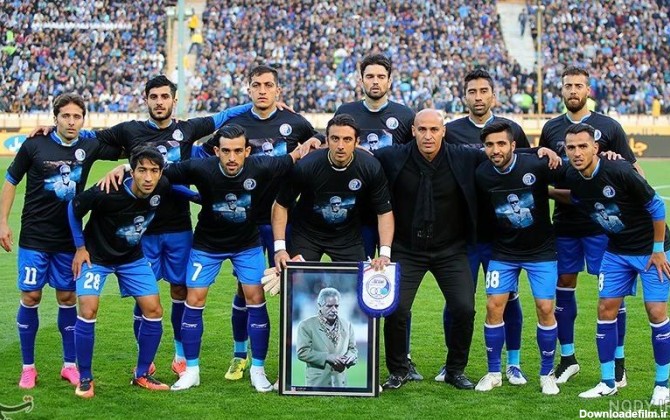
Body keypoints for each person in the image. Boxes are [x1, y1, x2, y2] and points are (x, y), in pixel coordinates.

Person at [78, 75, 252, 377]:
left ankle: (180, 354)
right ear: (146, 99)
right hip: (141, 232)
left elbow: (224, 116)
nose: (159, 102)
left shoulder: (188, 129)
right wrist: (51, 131)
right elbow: (90, 136)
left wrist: (261, 105)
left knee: (180, 289)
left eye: (164, 96)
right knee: (142, 295)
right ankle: (144, 356)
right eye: (154, 97)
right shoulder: (130, 130)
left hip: (178, 227)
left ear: (174, 99)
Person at [165, 124, 311, 392]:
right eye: (226, 151)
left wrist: (313, 143)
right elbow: (159, 172)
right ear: (216, 151)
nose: (232, 157)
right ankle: (191, 371)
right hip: (207, 245)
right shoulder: (200, 168)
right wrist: (125, 168)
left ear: (247, 151)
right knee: (193, 300)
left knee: (255, 298)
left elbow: (291, 158)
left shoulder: (261, 165)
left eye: (237, 151)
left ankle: (258, 370)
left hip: (247, 245)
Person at [0, 93, 122, 390]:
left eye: (77, 116)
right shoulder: (34, 144)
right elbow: (11, 180)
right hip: (34, 237)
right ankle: (28, 368)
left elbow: (130, 146)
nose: (71, 121)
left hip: (70, 240)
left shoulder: (89, 146)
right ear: (55, 118)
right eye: (65, 116)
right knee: (31, 297)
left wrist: (124, 167)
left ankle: (69, 366)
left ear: (83, 120)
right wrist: (2, 221)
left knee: (67, 298)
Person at [211, 65, 322, 382]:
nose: (262, 90)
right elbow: (209, 156)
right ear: (248, 89)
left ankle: (298, 355)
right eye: (257, 85)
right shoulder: (236, 125)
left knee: (293, 284)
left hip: (285, 219)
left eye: (268, 85)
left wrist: (313, 141)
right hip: (245, 219)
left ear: (278, 90)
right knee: (245, 289)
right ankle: (239, 355)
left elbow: (318, 137)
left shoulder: (294, 122)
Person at [539, 66, 643, 386]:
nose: (573, 90)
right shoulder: (551, 128)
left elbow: (633, 171)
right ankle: (568, 358)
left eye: (579, 85)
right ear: (561, 90)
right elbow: (545, 173)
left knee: (611, 293)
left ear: (588, 91)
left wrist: (618, 166)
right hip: (566, 224)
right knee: (563, 286)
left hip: (602, 225)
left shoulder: (608, 127)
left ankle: (619, 362)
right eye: (568, 85)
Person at [561, 124, 670, 406]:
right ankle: (608, 382)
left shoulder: (619, 170)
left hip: (651, 251)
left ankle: (663, 385)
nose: (577, 152)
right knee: (605, 309)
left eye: (583, 146)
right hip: (616, 251)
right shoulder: (571, 175)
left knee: (656, 312)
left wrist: (658, 250)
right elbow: (575, 198)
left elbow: (657, 206)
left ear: (596, 148)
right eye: (571, 147)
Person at [439, 68, 530, 383]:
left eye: (483, 91)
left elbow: (528, 167)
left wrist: (542, 151)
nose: (478, 97)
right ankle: (452, 362)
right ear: (464, 96)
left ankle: (513, 363)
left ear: (494, 95)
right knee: (457, 301)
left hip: (501, 237)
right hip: (461, 235)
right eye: (472, 92)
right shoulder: (450, 132)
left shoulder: (511, 130)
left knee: (508, 299)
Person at [334, 54, 419, 380]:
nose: (375, 81)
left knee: (395, 289)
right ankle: (354, 352)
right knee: (355, 285)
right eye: (369, 76)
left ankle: (403, 357)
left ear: (389, 80)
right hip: (355, 216)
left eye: (380, 76)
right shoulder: (346, 112)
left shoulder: (404, 115)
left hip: (392, 215)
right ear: (361, 79)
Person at [67, 147, 177, 398]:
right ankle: (85, 378)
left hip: (132, 259)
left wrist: (198, 197)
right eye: (142, 170)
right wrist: (80, 247)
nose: (148, 177)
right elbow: (73, 208)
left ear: (160, 173)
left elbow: (178, 182)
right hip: (96, 258)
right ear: (133, 172)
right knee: (88, 310)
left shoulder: (161, 185)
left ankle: (142, 374)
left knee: (154, 310)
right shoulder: (107, 190)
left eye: (154, 171)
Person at [473, 120, 562, 395]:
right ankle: (493, 373)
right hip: (503, 252)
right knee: (493, 306)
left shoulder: (536, 165)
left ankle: (547, 374)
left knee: (545, 308)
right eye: (489, 145)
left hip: (541, 251)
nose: (495, 150)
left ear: (513, 145)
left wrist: (544, 151)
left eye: (501, 143)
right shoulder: (482, 174)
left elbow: (573, 176)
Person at [272, 114, 394, 274]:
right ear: (327, 141)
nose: (341, 146)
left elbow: (384, 212)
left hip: (347, 237)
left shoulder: (370, 167)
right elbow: (280, 205)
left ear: (357, 142)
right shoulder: (306, 166)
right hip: (307, 235)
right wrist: (280, 249)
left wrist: (385, 253)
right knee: (298, 283)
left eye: (347, 139)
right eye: (335, 139)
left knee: (354, 285)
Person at [296, 287, 357, 387]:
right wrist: (327, 357)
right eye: (329, 306)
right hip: (317, 384)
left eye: (336, 306)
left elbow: (353, 349)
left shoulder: (347, 325)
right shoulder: (306, 325)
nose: (334, 310)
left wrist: (351, 357)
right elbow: (302, 352)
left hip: (340, 384)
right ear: (319, 305)